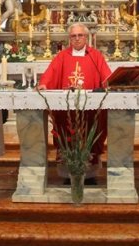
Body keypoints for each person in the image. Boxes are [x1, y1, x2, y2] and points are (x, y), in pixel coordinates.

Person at [37, 24, 112, 183]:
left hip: (90, 108)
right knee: (67, 136)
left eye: (80, 35)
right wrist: (44, 84)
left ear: (86, 37)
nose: (77, 39)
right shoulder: (62, 56)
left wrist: (110, 84)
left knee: (90, 135)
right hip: (67, 109)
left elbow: (106, 77)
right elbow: (50, 74)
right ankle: (67, 174)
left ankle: (90, 175)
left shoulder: (95, 56)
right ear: (69, 38)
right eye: (73, 36)